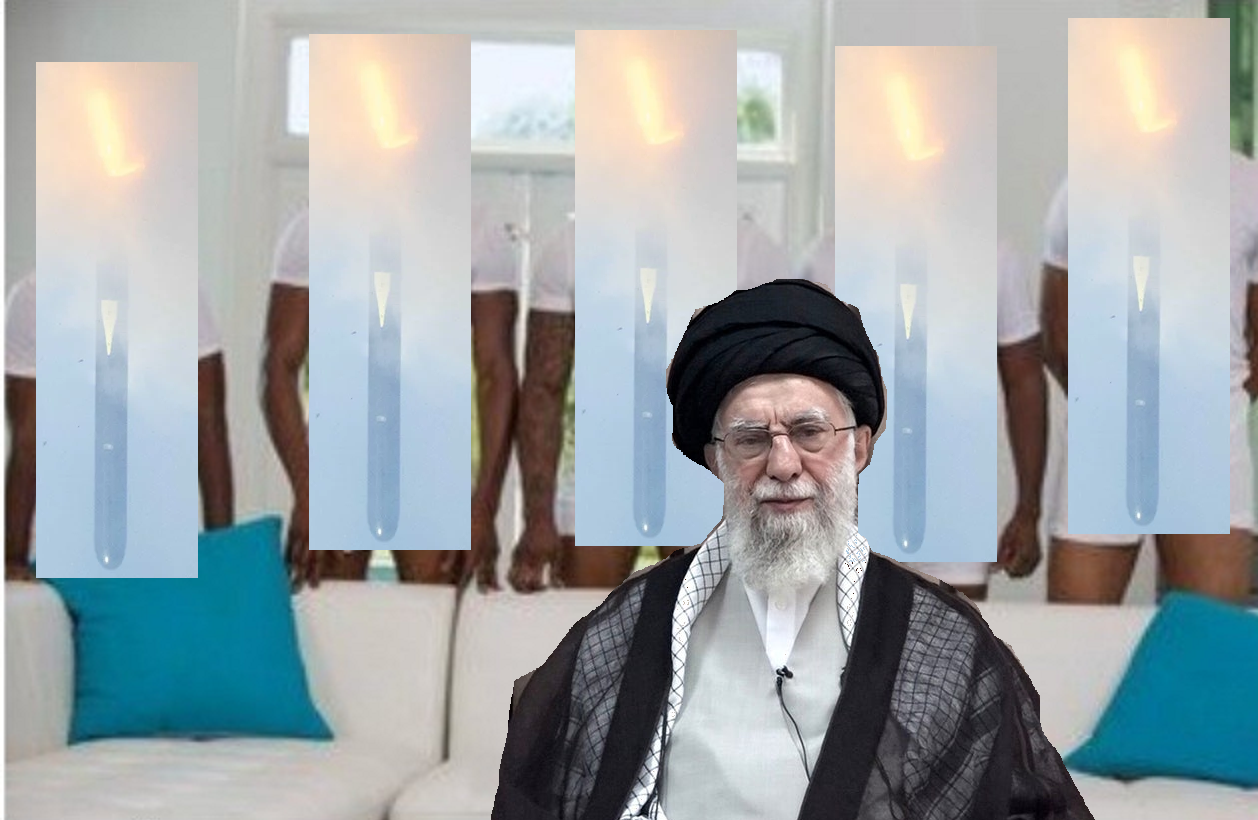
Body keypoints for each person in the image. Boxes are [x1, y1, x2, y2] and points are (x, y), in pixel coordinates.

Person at [493, 280, 1091, 820]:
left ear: (859, 448)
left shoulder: (941, 641)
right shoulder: (632, 624)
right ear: (717, 459)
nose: (782, 464)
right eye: (751, 439)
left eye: (809, 433)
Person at [1040, 172, 1254, 604]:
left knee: (1209, 631)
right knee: (1076, 628)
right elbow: (1057, 335)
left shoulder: (1247, 186)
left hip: (1206, 437)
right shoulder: (1084, 185)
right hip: (1107, 436)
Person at [5, 272, 234, 580]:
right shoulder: (34, 297)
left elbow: (209, 421)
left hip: (159, 537)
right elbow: (28, 440)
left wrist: (223, 552)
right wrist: (12, 558)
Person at [263, 205, 435, 587]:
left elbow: (494, 370)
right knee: (330, 608)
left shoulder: (451, 231)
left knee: (437, 611)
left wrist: (481, 505)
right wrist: (309, 494)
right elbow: (277, 368)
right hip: (340, 459)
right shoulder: (313, 231)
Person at [510, 217, 683, 591]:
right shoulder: (572, 245)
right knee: (585, 620)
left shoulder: (734, 241)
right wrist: (538, 517)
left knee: (704, 625)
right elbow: (543, 388)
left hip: (696, 461)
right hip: (599, 470)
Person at [907, 242, 1047, 599]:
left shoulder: (995, 257)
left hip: (953, 510)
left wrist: (1028, 510)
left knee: (952, 632)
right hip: (846, 507)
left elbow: (1025, 382)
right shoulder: (827, 256)